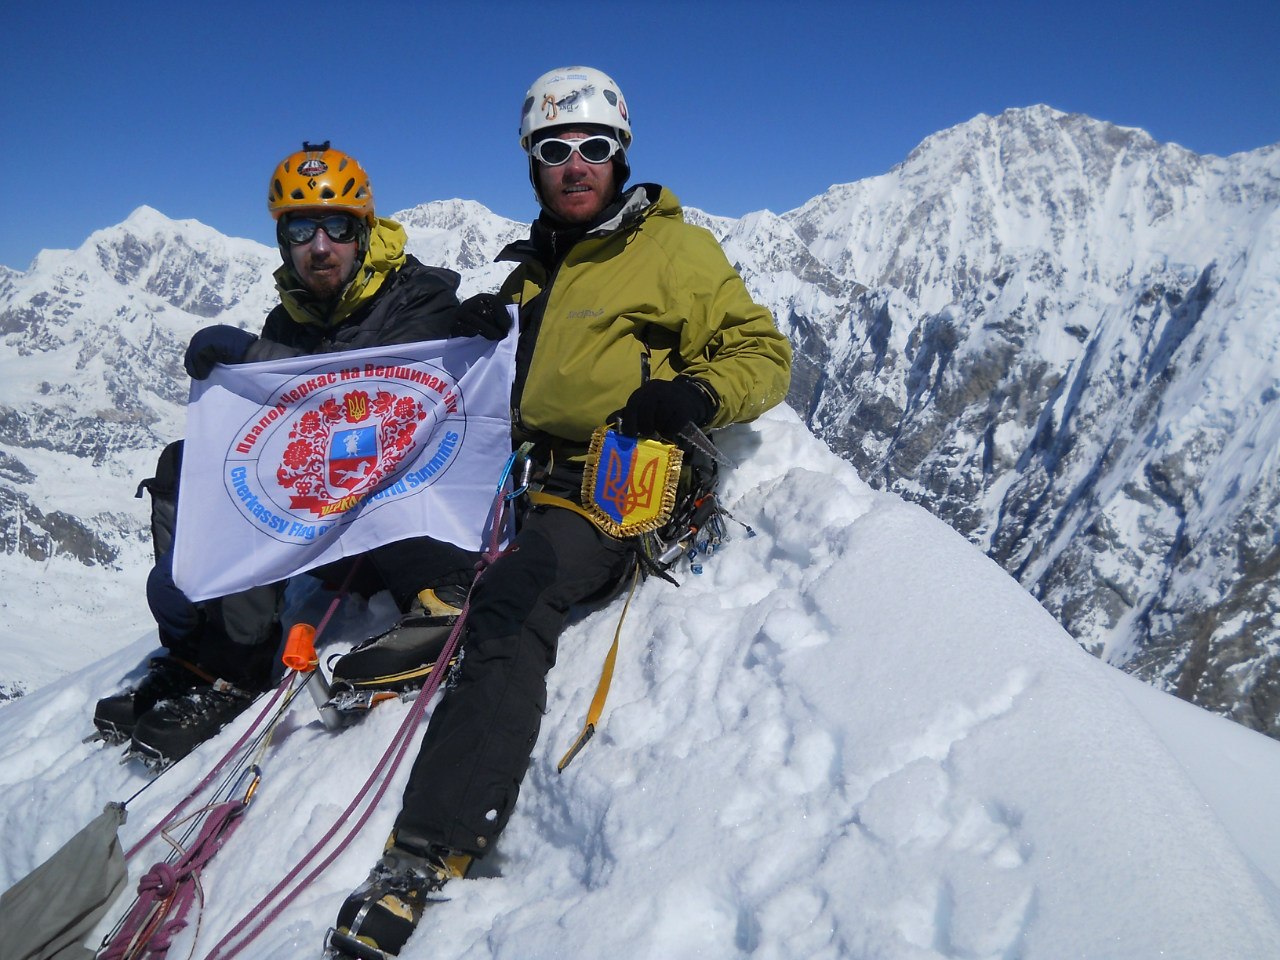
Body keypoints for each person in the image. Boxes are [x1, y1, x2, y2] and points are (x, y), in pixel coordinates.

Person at [329, 67, 792, 957]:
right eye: (555, 149)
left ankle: (427, 850)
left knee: (517, 595)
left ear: (620, 157)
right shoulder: (535, 264)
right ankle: (423, 618)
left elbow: (762, 351)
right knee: (390, 510)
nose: (574, 163)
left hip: (609, 486)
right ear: (532, 163)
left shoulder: (674, 251)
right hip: (518, 476)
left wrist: (696, 392)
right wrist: (485, 323)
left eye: (593, 147)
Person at [93, 141, 511, 768]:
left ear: (365, 230)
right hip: (332, 522)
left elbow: (370, 408)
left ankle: (235, 667)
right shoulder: (288, 318)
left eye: (337, 225)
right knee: (192, 465)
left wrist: (254, 357)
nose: (320, 245)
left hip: (400, 529)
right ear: (282, 239)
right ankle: (195, 648)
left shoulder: (417, 299)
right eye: (300, 228)